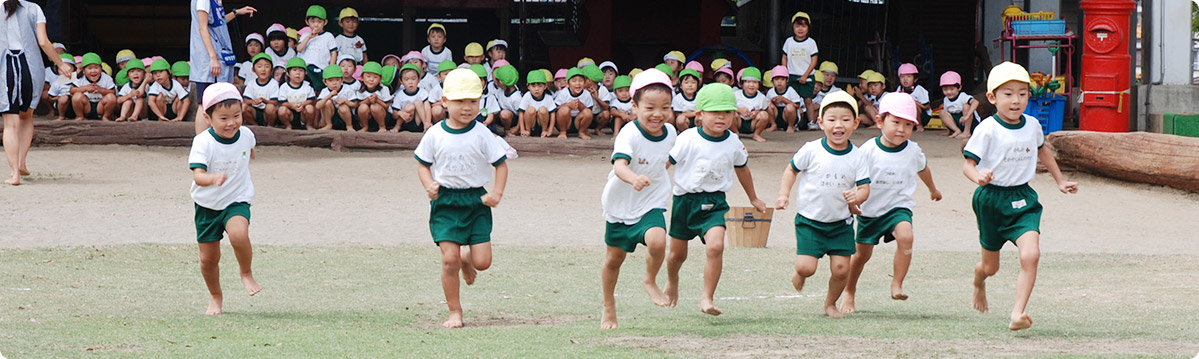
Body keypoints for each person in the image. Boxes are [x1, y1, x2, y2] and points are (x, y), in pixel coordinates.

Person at [963, 61, 1078, 331]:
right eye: (1008, 94)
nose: (1016, 100)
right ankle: (979, 279)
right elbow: (967, 164)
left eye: (1023, 93)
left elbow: (1043, 151)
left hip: (1024, 199)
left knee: (1031, 255)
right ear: (992, 97)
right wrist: (978, 177)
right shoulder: (987, 129)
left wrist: (1060, 181)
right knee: (991, 268)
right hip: (991, 199)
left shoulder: (1033, 125)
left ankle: (1017, 313)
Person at [414, 68, 509, 328]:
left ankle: (468, 259)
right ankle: (455, 311)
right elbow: (422, 164)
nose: (466, 108)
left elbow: (500, 165)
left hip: (476, 202)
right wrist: (429, 184)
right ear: (444, 102)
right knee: (449, 259)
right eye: (459, 101)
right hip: (445, 202)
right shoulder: (434, 133)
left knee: (483, 262)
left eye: (473, 102)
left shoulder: (482, 133)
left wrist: (497, 192)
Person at [665, 82, 768, 316]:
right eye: (714, 113)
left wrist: (754, 197)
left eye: (727, 113)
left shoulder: (733, 142)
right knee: (676, 255)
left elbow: (743, 169)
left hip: (715, 202)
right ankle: (672, 281)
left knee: (716, 246)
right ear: (699, 115)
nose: (721, 118)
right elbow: (666, 163)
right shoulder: (687, 138)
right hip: (685, 201)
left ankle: (707, 298)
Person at [841, 92, 943, 314]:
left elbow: (923, 169)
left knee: (906, 236)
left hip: (899, 207)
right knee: (861, 255)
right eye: (895, 122)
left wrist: (933, 189)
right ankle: (849, 291)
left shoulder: (913, 150)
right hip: (871, 212)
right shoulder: (868, 150)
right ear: (879, 121)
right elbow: (853, 176)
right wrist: (851, 200)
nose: (901, 129)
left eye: (908, 125)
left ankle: (897, 283)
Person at [774, 91, 871, 318]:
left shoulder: (857, 157)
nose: (839, 125)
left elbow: (865, 188)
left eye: (846, 120)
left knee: (841, 270)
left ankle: (830, 304)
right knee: (806, 268)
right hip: (810, 221)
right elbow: (791, 170)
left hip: (840, 223)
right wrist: (783, 194)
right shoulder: (811, 149)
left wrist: (857, 197)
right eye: (832, 119)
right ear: (820, 122)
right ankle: (800, 274)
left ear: (856, 123)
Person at [599, 69, 676, 329]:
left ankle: (650, 279)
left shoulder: (672, 133)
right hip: (621, 203)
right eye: (650, 107)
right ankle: (609, 305)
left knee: (657, 241)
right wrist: (633, 178)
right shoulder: (628, 133)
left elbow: (668, 160)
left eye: (665, 107)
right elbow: (619, 166)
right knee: (614, 260)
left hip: (651, 201)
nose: (658, 114)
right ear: (634, 106)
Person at [188, 82, 263, 315]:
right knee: (208, 259)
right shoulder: (203, 142)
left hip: (236, 199)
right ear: (207, 117)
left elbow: (250, 148)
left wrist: (249, 154)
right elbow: (198, 176)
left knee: (239, 234)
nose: (232, 123)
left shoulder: (247, 134)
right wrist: (211, 179)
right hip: (207, 205)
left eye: (237, 115)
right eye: (223, 118)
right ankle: (215, 296)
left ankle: (246, 272)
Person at [2, 0, 73, 185]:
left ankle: (14, 174)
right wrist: (61, 63)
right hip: (30, 67)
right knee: (26, 117)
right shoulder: (34, 8)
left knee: (10, 123)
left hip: (4, 68)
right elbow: (43, 42)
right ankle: (21, 164)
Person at [191, 0, 256, 133]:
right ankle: (201, 144)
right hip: (209, 58)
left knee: (219, 99)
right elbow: (202, 27)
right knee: (205, 102)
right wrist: (213, 57)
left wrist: (236, 13)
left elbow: (218, 23)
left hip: (220, 56)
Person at [781, 11, 819, 131]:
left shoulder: (811, 43)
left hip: (807, 76)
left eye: (803, 26)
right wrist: (784, 73)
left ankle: (811, 122)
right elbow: (784, 57)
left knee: (808, 100)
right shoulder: (789, 42)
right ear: (793, 27)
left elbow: (814, 60)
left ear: (808, 28)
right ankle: (795, 123)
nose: (800, 29)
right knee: (794, 101)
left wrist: (805, 75)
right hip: (792, 75)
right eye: (797, 26)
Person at [69, 53, 117, 121]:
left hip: (100, 106)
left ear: (101, 68)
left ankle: (106, 116)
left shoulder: (106, 78)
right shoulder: (80, 78)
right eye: (89, 68)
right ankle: (80, 116)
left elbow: (113, 92)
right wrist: (85, 88)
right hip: (86, 106)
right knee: (77, 96)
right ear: (84, 70)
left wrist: (101, 90)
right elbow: (72, 91)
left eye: (96, 68)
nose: (93, 71)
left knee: (111, 97)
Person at [552, 68, 596, 140]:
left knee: (587, 112)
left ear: (585, 83)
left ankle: (582, 132)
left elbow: (589, 112)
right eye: (574, 81)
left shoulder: (586, 94)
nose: (578, 83)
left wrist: (580, 106)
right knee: (564, 110)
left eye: (581, 81)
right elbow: (555, 109)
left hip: (578, 122)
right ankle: (563, 132)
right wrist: (568, 105)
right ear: (567, 84)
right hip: (565, 122)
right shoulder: (563, 93)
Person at [274, 57, 316, 130]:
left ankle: (309, 125)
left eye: (301, 70)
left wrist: (303, 105)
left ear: (305, 73)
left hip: (303, 113)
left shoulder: (307, 85)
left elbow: (311, 100)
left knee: (310, 108)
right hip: (290, 113)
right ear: (288, 73)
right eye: (294, 70)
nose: (298, 73)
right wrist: (292, 105)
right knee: (282, 110)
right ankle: (288, 126)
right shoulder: (284, 87)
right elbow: (282, 102)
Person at [938, 71, 980, 138]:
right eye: (945, 89)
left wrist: (967, 116)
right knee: (942, 112)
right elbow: (947, 115)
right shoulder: (946, 99)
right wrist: (948, 130)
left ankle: (967, 132)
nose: (949, 92)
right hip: (958, 123)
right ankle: (956, 130)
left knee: (966, 106)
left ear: (959, 88)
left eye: (952, 89)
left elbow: (975, 102)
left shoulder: (963, 96)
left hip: (970, 123)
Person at [733, 67, 770, 143]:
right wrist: (740, 110)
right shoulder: (736, 95)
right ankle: (735, 133)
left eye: (755, 82)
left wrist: (756, 113)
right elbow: (728, 108)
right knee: (731, 114)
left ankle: (756, 134)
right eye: (748, 82)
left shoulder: (761, 97)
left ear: (759, 84)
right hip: (738, 122)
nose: (751, 85)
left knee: (764, 115)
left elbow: (764, 110)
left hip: (752, 123)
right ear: (742, 83)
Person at [390, 63, 431, 132]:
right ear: (401, 81)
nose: (410, 82)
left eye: (413, 79)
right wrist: (400, 113)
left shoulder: (423, 92)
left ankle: (426, 126)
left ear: (419, 79)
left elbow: (427, 107)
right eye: (406, 79)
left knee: (418, 102)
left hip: (419, 121)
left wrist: (428, 121)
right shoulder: (400, 95)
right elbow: (394, 115)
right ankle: (397, 126)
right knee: (409, 107)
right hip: (406, 122)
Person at [241, 53, 279, 127]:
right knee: (243, 107)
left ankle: (270, 126)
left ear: (271, 70)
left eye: (267, 66)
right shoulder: (251, 83)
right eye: (259, 66)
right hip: (255, 111)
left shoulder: (273, 83)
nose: (263, 69)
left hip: (267, 112)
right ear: (253, 70)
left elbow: (274, 102)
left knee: (270, 107)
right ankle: (255, 125)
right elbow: (245, 100)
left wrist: (264, 101)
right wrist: (253, 101)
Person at [354, 61, 391, 132]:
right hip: (368, 117)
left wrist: (377, 100)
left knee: (374, 106)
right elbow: (357, 105)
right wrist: (367, 101)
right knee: (363, 107)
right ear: (362, 77)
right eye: (368, 76)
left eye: (375, 77)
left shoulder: (384, 89)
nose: (371, 79)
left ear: (380, 79)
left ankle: (382, 127)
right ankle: (365, 126)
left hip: (383, 116)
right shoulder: (360, 89)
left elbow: (387, 106)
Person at [315, 64, 353, 131]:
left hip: (345, 117)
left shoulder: (347, 88)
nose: (334, 83)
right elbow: (318, 106)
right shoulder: (325, 91)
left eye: (337, 80)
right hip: (331, 117)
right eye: (331, 80)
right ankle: (329, 125)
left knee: (343, 107)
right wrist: (329, 96)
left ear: (342, 80)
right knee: (327, 102)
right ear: (325, 82)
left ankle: (349, 126)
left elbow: (355, 104)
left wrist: (345, 102)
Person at [766, 65, 803, 133]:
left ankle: (790, 126)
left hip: (787, 115)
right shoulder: (771, 91)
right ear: (773, 81)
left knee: (790, 107)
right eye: (776, 79)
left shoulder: (790, 90)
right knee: (768, 104)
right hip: (777, 114)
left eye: (782, 79)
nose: (779, 82)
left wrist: (784, 100)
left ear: (787, 80)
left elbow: (797, 105)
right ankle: (773, 124)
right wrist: (772, 101)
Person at [518, 69, 554, 137]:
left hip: (541, 124)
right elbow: (521, 113)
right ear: (528, 86)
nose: (536, 89)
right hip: (531, 124)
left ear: (545, 86)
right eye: (533, 86)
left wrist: (550, 130)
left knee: (543, 110)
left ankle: (544, 131)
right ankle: (528, 131)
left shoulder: (548, 97)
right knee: (530, 110)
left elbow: (553, 114)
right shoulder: (527, 96)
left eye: (540, 86)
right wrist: (522, 129)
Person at [896, 63, 930, 131]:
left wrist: (915, 102)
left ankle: (919, 126)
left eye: (908, 76)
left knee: (912, 104)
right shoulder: (900, 89)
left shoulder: (919, 90)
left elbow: (927, 107)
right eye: (902, 77)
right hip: (907, 115)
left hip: (922, 116)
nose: (905, 79)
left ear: (915, 79)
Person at [491, 64, 522, 136]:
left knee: (505, 114)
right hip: (501, 117)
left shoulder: (516, 97)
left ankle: (507, 130)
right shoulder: (500, 91)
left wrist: (517, 128)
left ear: (501, 82)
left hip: (513, 119)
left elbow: (522, 114)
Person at [47, 54, 76, 121]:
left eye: (68, 68)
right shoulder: (56, 83)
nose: (65, 72)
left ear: (74, 69)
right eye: (61, 70)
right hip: (62, 105)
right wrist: (59, 97)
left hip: (75, 105)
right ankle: (61, 116)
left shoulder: (78, 81)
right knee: (64, 98)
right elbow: (50, 98)